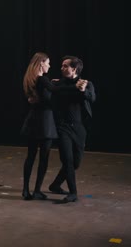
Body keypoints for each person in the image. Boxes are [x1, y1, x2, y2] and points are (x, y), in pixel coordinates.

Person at [20, 52, 81, 200]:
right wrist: (76, 86)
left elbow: (42, 94)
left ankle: (26, 190)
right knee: (43, 158)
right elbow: (54, 91)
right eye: (47, 62)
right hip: (45, 122)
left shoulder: (32, 79)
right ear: (41, 63)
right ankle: (36, 191)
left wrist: (53, 84)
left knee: (31, 156)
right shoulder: (42, 79)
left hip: (33, 120)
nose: (49, 65)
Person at [47, 55, 96, 203]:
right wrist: (74, 87)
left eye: (65, 66)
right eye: (62, 66)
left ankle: (55, 185)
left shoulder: (86, 84)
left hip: (79, 128)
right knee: (67, 160)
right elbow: (57, 91)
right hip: (63, 127)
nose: (61, 68)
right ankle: (73, 193)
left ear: (74, 69)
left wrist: (82, 90)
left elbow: (92, 98)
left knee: (75, 163)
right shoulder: (58, 83)